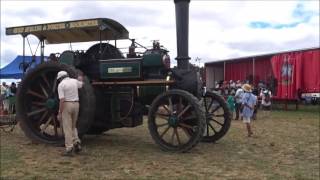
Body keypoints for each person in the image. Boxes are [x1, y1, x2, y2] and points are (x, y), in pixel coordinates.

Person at [57, 71, 83, 156]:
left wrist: (60, 112)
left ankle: (69, 148)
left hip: (67, 105)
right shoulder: (74, 81)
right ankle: (77, 143)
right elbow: (81, 84)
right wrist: (80, 78)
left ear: (60, 78)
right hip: (76, 104)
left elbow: (62, 100)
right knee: (73, 126)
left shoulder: (61, 85)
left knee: (67, 127)